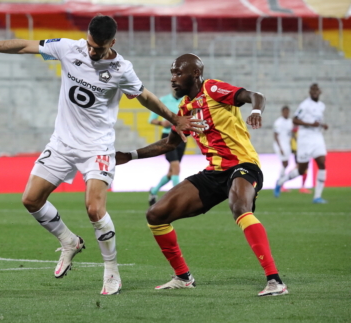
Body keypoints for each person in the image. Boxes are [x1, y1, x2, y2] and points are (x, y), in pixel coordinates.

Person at [0, 15, 202, 295]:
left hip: (98, 147)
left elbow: (144, 96)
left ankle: (111, 272)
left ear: (113, 43)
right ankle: (69, 241)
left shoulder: (121, 68)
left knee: (94, 209)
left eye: (100, 48)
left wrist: (173, 118)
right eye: (91, 46)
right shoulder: (68, 48)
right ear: (87, 38)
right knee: (31, 199)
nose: (94, 52)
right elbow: (24, 46)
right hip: (62, 143)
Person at [116, 53, 288, 297]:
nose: (172, 79)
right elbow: (168, 144)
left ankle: (275, 281)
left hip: (243, 165)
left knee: (239, 206)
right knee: (156, 214)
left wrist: (257, 110)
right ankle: (183, 277)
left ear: (195, 73)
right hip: (213, 172)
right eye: (171, 74)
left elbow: (254, 96)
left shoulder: (212, 89)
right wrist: (129, 155)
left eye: (178, 73)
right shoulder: (184, 109)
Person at [274, 83, 328, 203]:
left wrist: (322, 125)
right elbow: (295, 119)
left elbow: (317, 121)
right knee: (301, 170)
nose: (314, 92)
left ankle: (317, 196)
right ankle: (280, 182)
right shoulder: (305, 105)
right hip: (305, 139)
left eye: (316, 90)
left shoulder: (321, 106)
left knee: (322, 163)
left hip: (317, 137)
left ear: (320, 92)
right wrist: (310, 124)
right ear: (309, 92)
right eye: (312, 90)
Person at [148, 89, 185, 206]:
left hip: (182, 136)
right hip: (168, 137)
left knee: (171, 171)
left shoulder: (186, 100)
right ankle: (177, 198)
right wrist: (161, 123)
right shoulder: (164, 100)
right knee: (176, 168)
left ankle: (154, 191)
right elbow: (151, 119)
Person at [273, 106, 293, 192]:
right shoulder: (278, 122)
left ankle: (280, 182)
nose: (286, 113)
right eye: (285, 112)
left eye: (287, 112)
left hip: (287, 145)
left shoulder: (290, 121)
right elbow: (275, 136)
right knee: (285, 163)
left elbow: (291, 133)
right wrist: (280, 148)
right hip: (280, 145)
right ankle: (280, 183)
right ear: (282, 112)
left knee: (286, 164)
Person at [291, 125, 311, 193]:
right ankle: (281, 181)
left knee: (304, 168)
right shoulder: (298, 126)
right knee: (300, 167)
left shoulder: (302, 127)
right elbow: (293, 132)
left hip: (302, 150)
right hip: (298, 150)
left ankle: (303, 187)